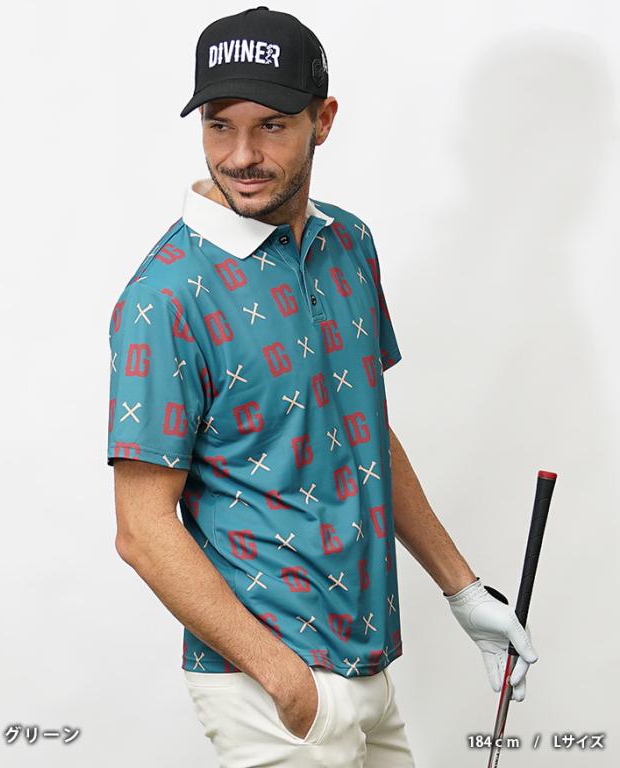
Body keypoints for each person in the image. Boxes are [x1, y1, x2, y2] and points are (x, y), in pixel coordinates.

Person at [106, 7, 538, 767]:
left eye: (272, 126)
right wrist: (282, 678)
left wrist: (464, 592)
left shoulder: (349, 242)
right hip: (272, 687)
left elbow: (358, 426)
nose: (241, 155)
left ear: (323, 120)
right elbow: (142, 530)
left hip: (368, 665)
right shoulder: (165, 296)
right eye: (219, 126)